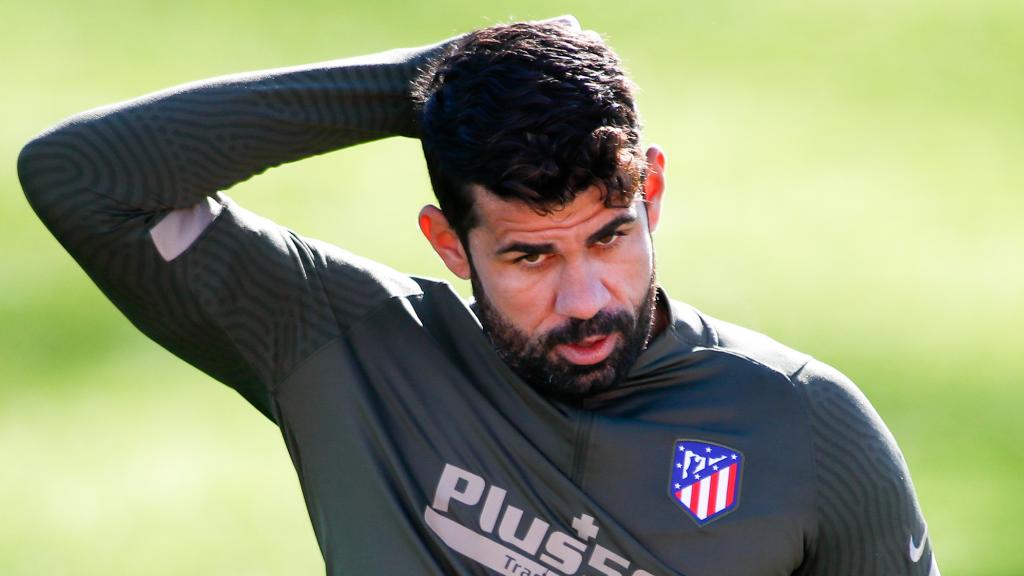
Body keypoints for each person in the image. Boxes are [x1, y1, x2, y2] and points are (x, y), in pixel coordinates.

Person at [18, 17, 938, 576]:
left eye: (610, 236)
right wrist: (421, 82)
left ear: (651, 193)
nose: (587, 300)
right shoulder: (338, 344)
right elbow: (81, 176)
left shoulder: (805, 428)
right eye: (531, 257)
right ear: (449, 243)